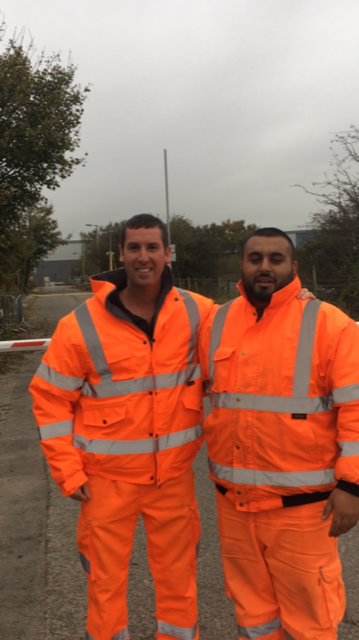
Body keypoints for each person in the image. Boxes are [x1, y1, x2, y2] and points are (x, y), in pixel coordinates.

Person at [29, 214, 214, 640]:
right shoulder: (80, 324)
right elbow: (50, 398)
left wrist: (292, 302)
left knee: (179, 585)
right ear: (121, 255)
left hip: (172, 481)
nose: (144, 257)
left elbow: (249, 329)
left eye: (153, 247)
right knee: (104, 586)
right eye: (135, 248)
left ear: (168, 254)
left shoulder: (199, 312)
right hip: (105, 483)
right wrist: (67, 471)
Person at [199, 227, 359, 640]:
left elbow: (356, 410)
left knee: (312, 620)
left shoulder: (329, 323)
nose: (265, 267)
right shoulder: (217, 321)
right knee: (254, 617)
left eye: (276, 258)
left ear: (293, 266)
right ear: (242, 264)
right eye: (256, 258)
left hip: (303, 513)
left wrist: (353, 486)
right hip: (234, 507)